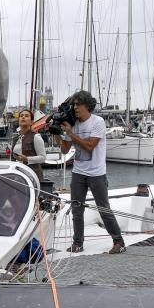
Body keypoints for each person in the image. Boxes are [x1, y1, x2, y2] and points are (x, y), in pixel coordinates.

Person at [58, 90, 126, 254]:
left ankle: (119, 242)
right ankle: (77, 243)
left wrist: (70, 133)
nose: (74, 108)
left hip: (97, 173)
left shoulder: (98, 122)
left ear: (87, 106)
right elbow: (64, 149)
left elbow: (89, 145)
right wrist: (57, 134)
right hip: (78, 173)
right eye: (74, 104)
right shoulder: (72, 123)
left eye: (78, 104)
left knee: (103, 208)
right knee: (76, 209)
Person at [10, 109, 47, 182]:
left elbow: (43, 158)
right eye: (21, 116)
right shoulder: (16, 138)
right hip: (18, 175)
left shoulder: (36, 137)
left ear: (32, 122)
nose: (23, 117)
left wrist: (27, 159)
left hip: (32, 176)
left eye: (26, 116)